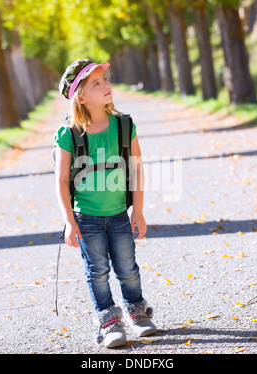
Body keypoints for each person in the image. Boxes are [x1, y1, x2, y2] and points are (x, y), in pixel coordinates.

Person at [54, 59, 157, 348]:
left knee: (127, 268)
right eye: (95, 83)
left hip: (119, 214)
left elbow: (136, 168)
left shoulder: (124, 126)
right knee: (97, 271)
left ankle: (138, 314)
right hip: (86, 217)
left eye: (105, 79)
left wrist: (138, 209)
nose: (106, 85)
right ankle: (110, 322)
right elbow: (61, 181)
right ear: (81, 97)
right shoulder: (69, 135)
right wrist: (68, 220)